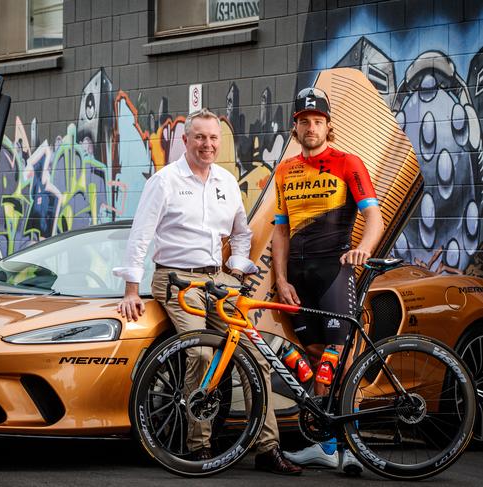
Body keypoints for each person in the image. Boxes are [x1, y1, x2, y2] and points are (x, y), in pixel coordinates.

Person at [114, 108, 302, 475]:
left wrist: (240, 265)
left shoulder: (226, 182)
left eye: (213, 138)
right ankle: (198, 447)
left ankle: (267, 448)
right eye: (200, 137)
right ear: (185, 141)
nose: (208, 144)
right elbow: (141, 236)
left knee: (256, 358)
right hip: (176, 279)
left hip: (218, 279)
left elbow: (241, 233)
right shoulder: (165, 181)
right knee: (200, 353)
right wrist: (131, 289)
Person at [272, 87, 385, 475]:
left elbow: (374, 217)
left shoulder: (348, 162)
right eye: (304, 121)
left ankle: (352, 450)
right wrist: (281, 278)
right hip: (298, 279)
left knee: (339, 362)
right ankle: (326, 445)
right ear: (296, 127)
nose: (311, 127)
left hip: (334, 271)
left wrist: (364, 250)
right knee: (315, 358)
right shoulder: (285, 171)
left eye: (318, 121)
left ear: (328, 125)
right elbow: (281, 232)